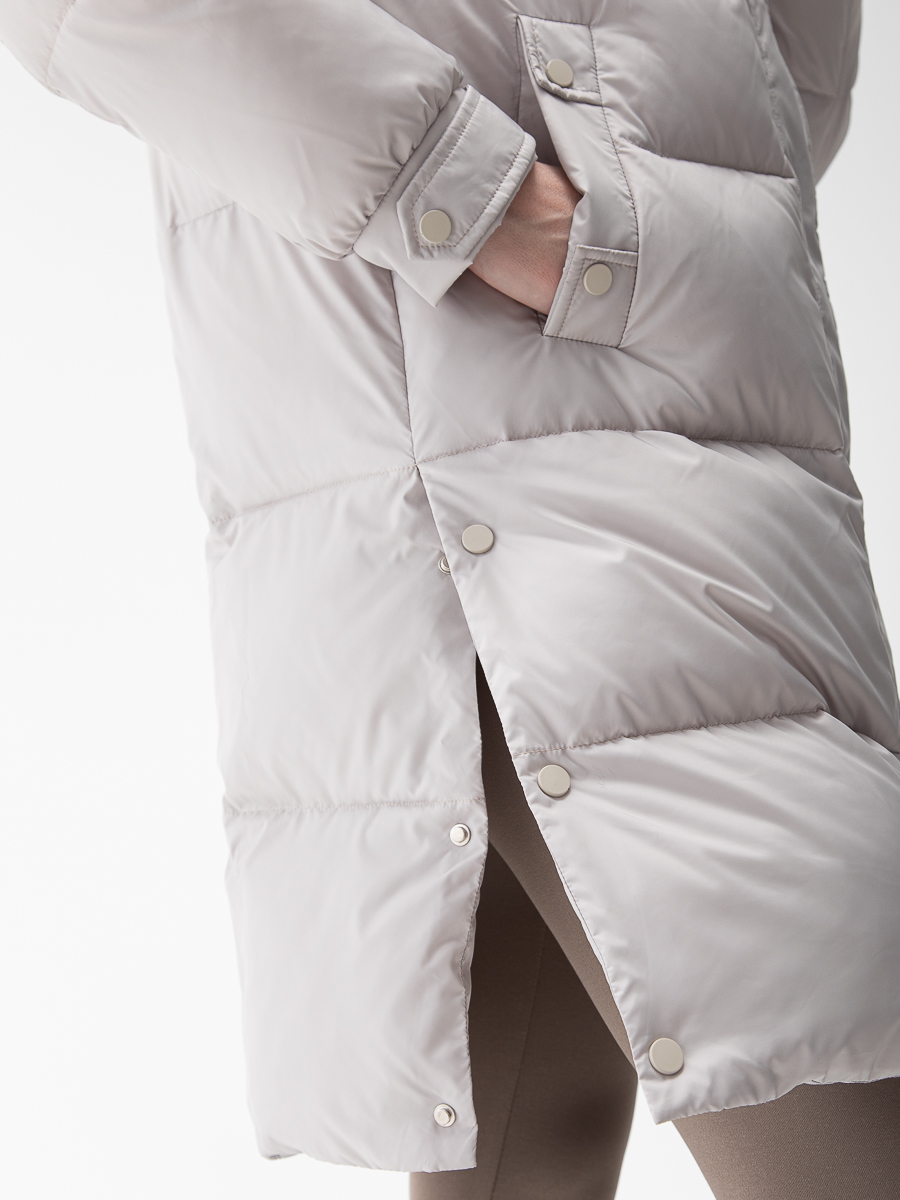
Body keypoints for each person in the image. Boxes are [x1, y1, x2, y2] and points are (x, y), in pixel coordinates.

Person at [1, 2, 898, 1197]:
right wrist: (464, 192)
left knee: (543, 1134)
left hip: (709, 401)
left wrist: (703, 180)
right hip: (499, 428)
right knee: (840, 1076)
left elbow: (785, 77)